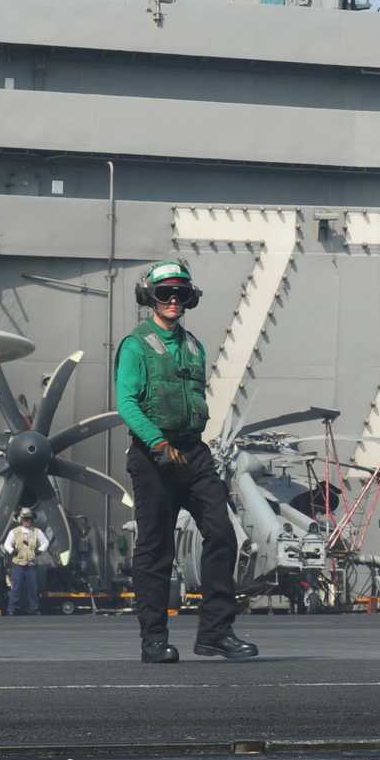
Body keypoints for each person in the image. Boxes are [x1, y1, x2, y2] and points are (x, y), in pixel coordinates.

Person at [117, 259, 257, 663]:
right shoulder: (136, 346)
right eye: (165, 293)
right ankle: (153, 640)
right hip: (153, 455)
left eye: (180, 293)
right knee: (156, 549)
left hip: (193, 452)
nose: (173, 300)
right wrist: (157, 443)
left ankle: (215, 633)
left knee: (223, 535)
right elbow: (127, 401)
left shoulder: (194, 346)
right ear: (150, 298)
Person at [0, 508, 48, 616]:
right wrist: (12, 551)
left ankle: (33, 608)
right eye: (25, 519)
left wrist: (39, 551)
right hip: (18, 564)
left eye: (29, 519)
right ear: (21, 519)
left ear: (32, 520)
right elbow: (6, 544)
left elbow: (45, 542)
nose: (27, 521)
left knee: (33, 587)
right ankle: (12, 608)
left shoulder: (37, 531)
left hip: (31, 564)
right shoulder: (14, 532)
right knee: (16, 587)